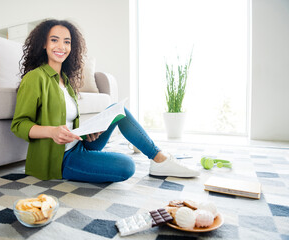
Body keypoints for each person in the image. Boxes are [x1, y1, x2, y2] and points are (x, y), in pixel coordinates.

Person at [11, 19, 200, 183]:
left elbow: (67, 120)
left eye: (66, 42)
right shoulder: (35, 78)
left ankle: (160, 158)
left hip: (80, 145)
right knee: (127, 165)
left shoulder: (66, 81)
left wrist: (88, 133)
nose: (61, 47)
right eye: (54, 40)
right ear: (43, 44)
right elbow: (19, 125)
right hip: (60, 158)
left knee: (119, 111)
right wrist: (52, 131)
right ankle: (155, 160)